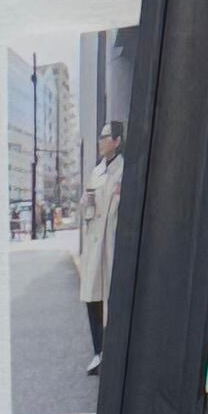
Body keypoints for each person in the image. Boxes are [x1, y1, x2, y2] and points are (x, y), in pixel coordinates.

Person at [78, 119, 125, 367]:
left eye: (105, 137)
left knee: (113, 298)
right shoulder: (96, 171)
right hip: (94, 243)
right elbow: (83, 207)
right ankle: (98, 352)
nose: (100, 142)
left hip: (112, 243)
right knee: (92, 296)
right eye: (100, 137)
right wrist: (87, 202)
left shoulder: (124, 170)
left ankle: (114, 352)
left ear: (117, 141)